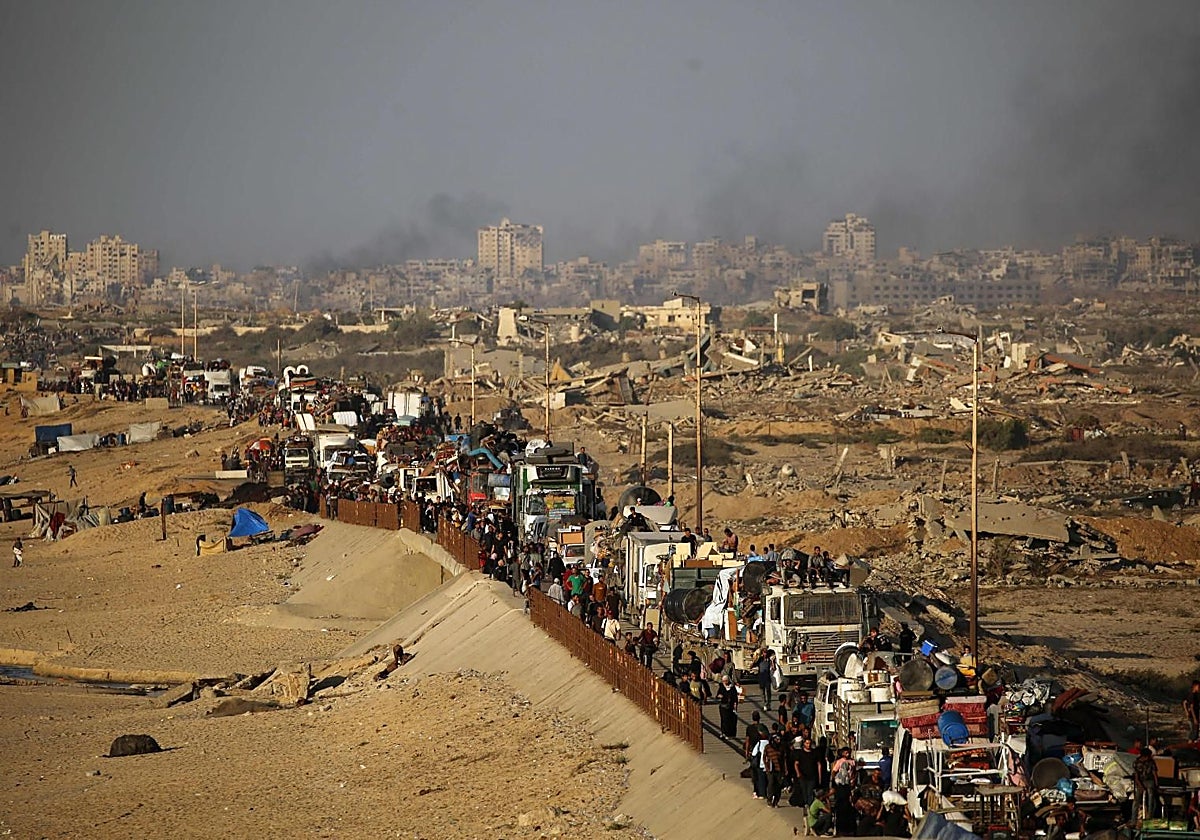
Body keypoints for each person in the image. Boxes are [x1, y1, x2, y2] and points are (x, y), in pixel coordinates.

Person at [1133, 746, 1160, 821]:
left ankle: (1149, 817)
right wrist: (1140, 786)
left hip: (1149, 781)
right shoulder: (1136, 763)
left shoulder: (1151, 762)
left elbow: (1154, 773)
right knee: (1136, 800)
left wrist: (1156, 784)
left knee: (1151, 798)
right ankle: (1133, 819)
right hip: (1140, 781)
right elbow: (1136, 777)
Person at [716, 675, 740, 739]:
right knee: (724, 720)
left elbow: (735, 697)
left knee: (731, 720)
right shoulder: (721, 687)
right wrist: (719, 696)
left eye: (726, 681)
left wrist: (735, 705)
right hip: (723, 706)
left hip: (731, 706)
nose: (725, 682)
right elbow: (717, 695)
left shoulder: (732, 687)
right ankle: (724, 733)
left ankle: (730, 734)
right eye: (723, 681)